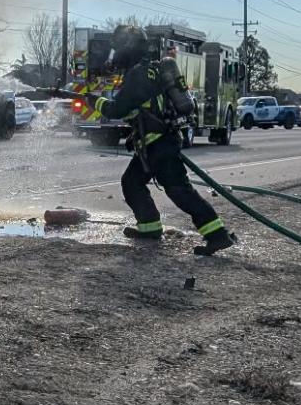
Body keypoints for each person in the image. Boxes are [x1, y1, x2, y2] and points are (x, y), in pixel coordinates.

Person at [84, 28, 236, 255]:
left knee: (179, 191)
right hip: (155, 144)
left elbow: (117, 109)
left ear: (127, 49)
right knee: (132, 182)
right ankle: (150, 228)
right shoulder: (151, 70)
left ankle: (217, 235)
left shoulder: (138, 75)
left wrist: (94, 102)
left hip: (160, 144)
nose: (115, 55)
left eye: (118, 49)